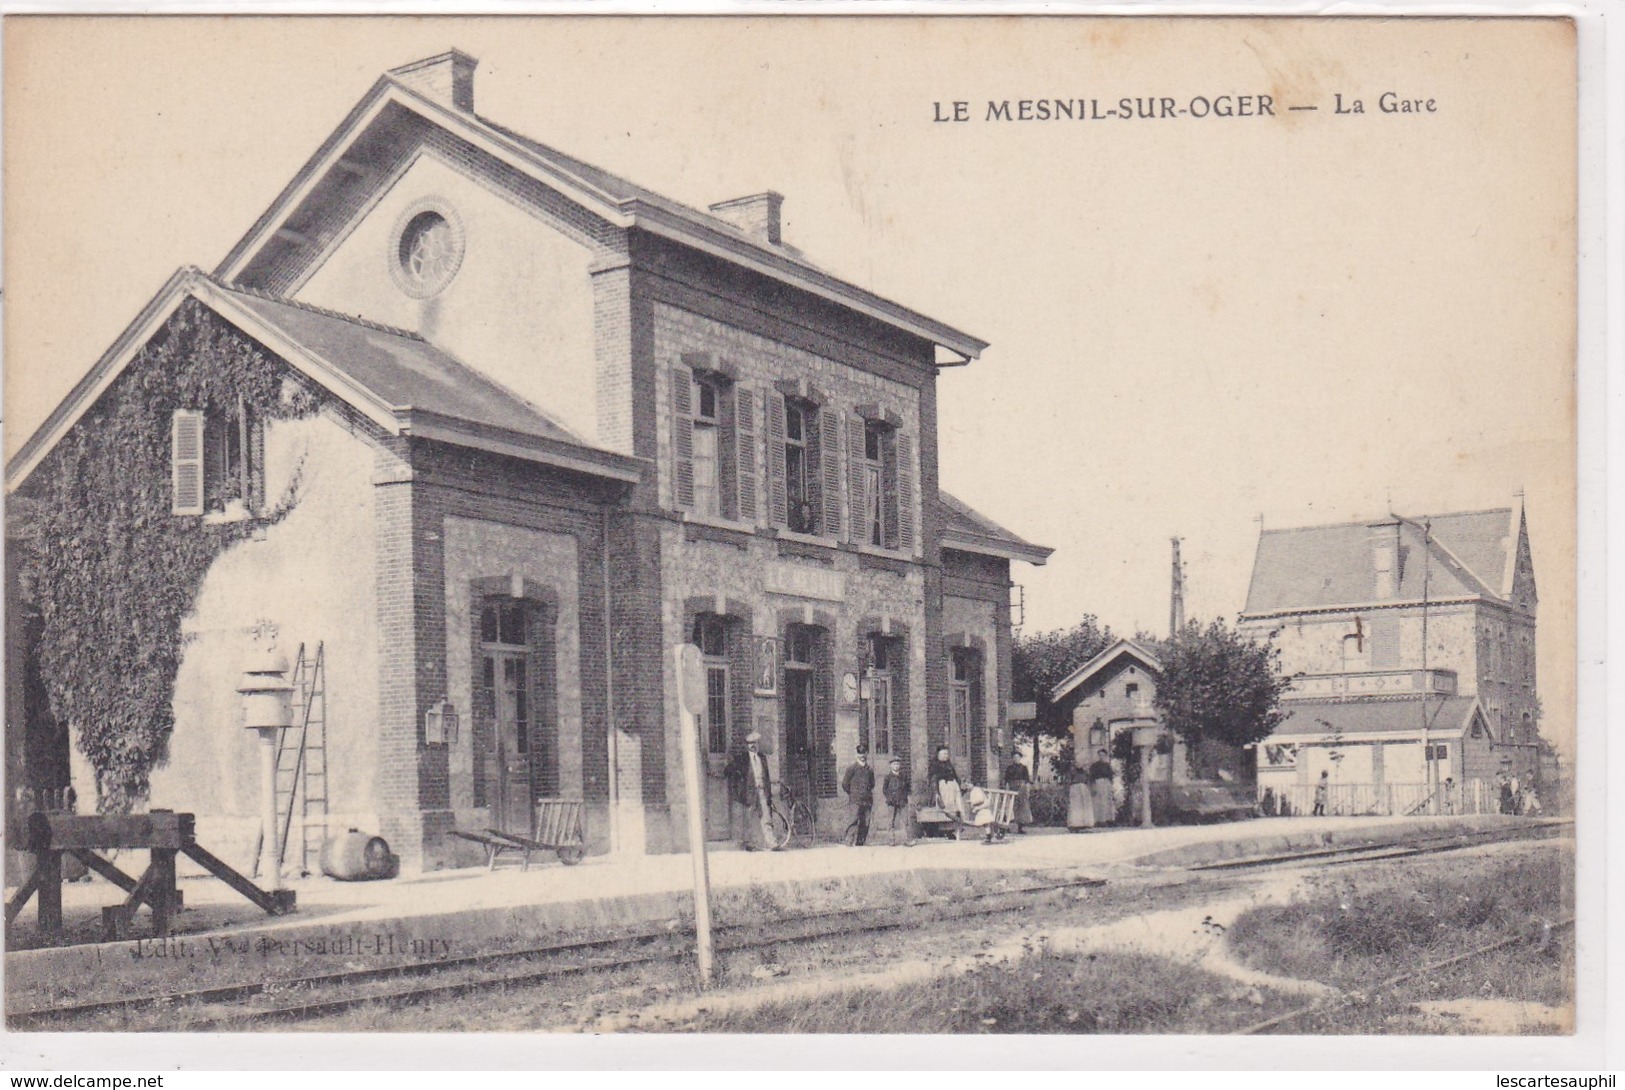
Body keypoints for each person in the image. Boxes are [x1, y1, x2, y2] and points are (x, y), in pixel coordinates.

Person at [724, 732, 776, 851]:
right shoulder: (742, 759)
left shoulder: (762, 758)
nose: (753, 746)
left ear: (758, 744)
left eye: (755, 743)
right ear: (747, 745)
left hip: (762, 791)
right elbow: (728, 770)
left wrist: (769, 794)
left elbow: (766, 776)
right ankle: (749, 844)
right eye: (750, 743)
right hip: (749, 792)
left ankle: (771, 843)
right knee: (748, 819)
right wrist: (738, 783)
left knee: (766, 817)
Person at [841, 743, 877, 846]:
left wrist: (866, 792)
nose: (862, 755)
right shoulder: (852, 768)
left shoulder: (869, 770)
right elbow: (845, 784)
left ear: (867, 754)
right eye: (859, 753)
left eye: (864, 753)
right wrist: (853, 793)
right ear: (857, 754)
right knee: (853, 819)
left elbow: (872, 783)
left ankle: (861, 841)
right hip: (855, 799)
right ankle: (849, 840)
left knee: (865, 821)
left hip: (867, 799)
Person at [1000, 751, 1033, 833]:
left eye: (1017, 757)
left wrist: (1027, 790)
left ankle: (1020, 828)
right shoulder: (1009, 768)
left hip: (1022, 789)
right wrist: (1007, 789)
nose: (1016, 759)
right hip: (1012, 788)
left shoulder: (1024, 768)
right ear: (1012, 759)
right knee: (1010, 807)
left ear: (1020, 758)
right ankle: (1007, 826)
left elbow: (1026, 781)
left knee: (1021, 807)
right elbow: (1007, 780)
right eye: (1014, 758)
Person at [929, 746, 964, 820]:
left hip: (953, 786)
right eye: (944, 754)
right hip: (944, 787)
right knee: (947, 805)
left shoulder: (949, 765)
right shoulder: (935, 765)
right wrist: (936, 792)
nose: (946, 756)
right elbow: (933, 779)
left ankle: (959, 819)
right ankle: (950, 819)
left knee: (958, 803)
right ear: (939, 755)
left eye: (947, 754)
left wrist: (960, 784)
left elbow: (955, 776)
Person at [882, 756, 912, 845]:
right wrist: (889, 798)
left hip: (902, 801)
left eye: (898, 764)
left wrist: (905, 796)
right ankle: (891, 840)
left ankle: (907, 840)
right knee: (891, 821)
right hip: (891, 802)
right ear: (891, 766)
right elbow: (884, 790)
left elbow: (908, 788)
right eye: (894, 764)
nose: (896, 766)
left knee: (905, 821)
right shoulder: (887, 777)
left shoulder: (904, 776)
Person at [1088, 748, 1115, 827]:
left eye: (1103, 755)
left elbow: (1111, 777)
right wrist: (1093, 786)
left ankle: (1108, 819)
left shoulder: (1107, 766)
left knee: (1107, 801)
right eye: (1100, 755)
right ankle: (1098, 820)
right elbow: (1091, 777)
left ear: (1105, 756)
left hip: (1106, 784)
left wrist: (1111, 786)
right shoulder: (1094, 766)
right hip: (1098, 783)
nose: (1101, 757)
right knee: (1098, 802)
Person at [1066, 759, 1096, 832]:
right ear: (1075, 764)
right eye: (1077, 763)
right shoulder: (1072, 772)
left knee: (1084, 806)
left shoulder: (1085, 773)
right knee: (1076, 806)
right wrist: (1067, 790)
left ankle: (1085, 824)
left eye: (1081, 763)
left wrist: (1091, 789)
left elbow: (1089, 781)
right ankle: (1075, 824)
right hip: (1075, 789)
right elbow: (1068, 781)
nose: (1079, 765)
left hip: (1084, 789)